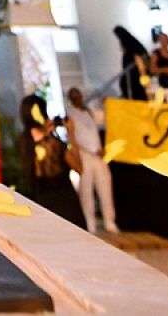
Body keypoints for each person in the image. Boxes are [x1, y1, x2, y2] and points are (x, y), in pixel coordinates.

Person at [18, 94, 85, 228]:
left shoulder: (23, 142)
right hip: (65, 203)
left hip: (41, 204)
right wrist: (71, 133)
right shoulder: (53, 143)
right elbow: (79, 168)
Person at [64, 88, 117, 233]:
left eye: (78, 95)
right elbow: (72, 135)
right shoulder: (70, 114)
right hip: (84, 155)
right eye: (73, 96)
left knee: (105, 187)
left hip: (98, 156)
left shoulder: (89, 112)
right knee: (86, 191)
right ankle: (90, 224)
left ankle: (109, 222)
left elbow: (106, 117)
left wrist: (108, 104)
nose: (77, 98)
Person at [112, 26, 149, 100]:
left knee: (136, 94)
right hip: (131, 77)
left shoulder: (132, 47)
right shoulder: (131, 45)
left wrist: (144, 76)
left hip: (134, 78)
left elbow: (140, 62)